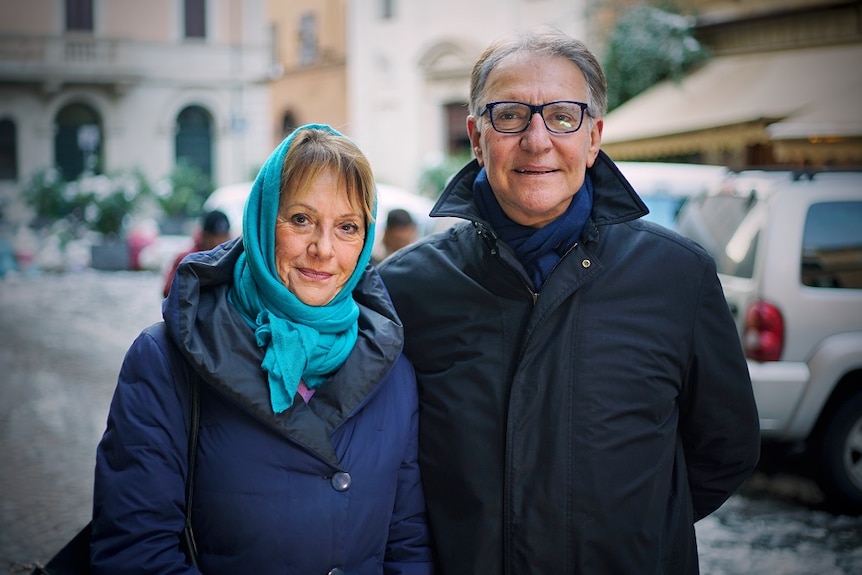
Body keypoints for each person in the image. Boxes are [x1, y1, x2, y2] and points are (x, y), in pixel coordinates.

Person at [377, 28, 760, 574]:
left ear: (594, 136)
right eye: (509, 115)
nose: (537, 140)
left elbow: (726, 449)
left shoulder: (678, 276)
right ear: (476, 137)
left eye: (562, 116)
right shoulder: (408, 288)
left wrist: (637, 533)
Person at [92, 124, 434, 574]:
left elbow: (406, 543)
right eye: (300, 220)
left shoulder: (392, 367)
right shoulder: (165, 361)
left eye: (347, 227)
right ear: (261, 221)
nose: (323, 249)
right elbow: (136, 553)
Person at [162, 209, 232, 297]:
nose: (222, 241)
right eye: (216, 236)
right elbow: (167, 291)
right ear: (205, 236)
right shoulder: (187, 260)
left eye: (224, 236)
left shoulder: (231, 260)